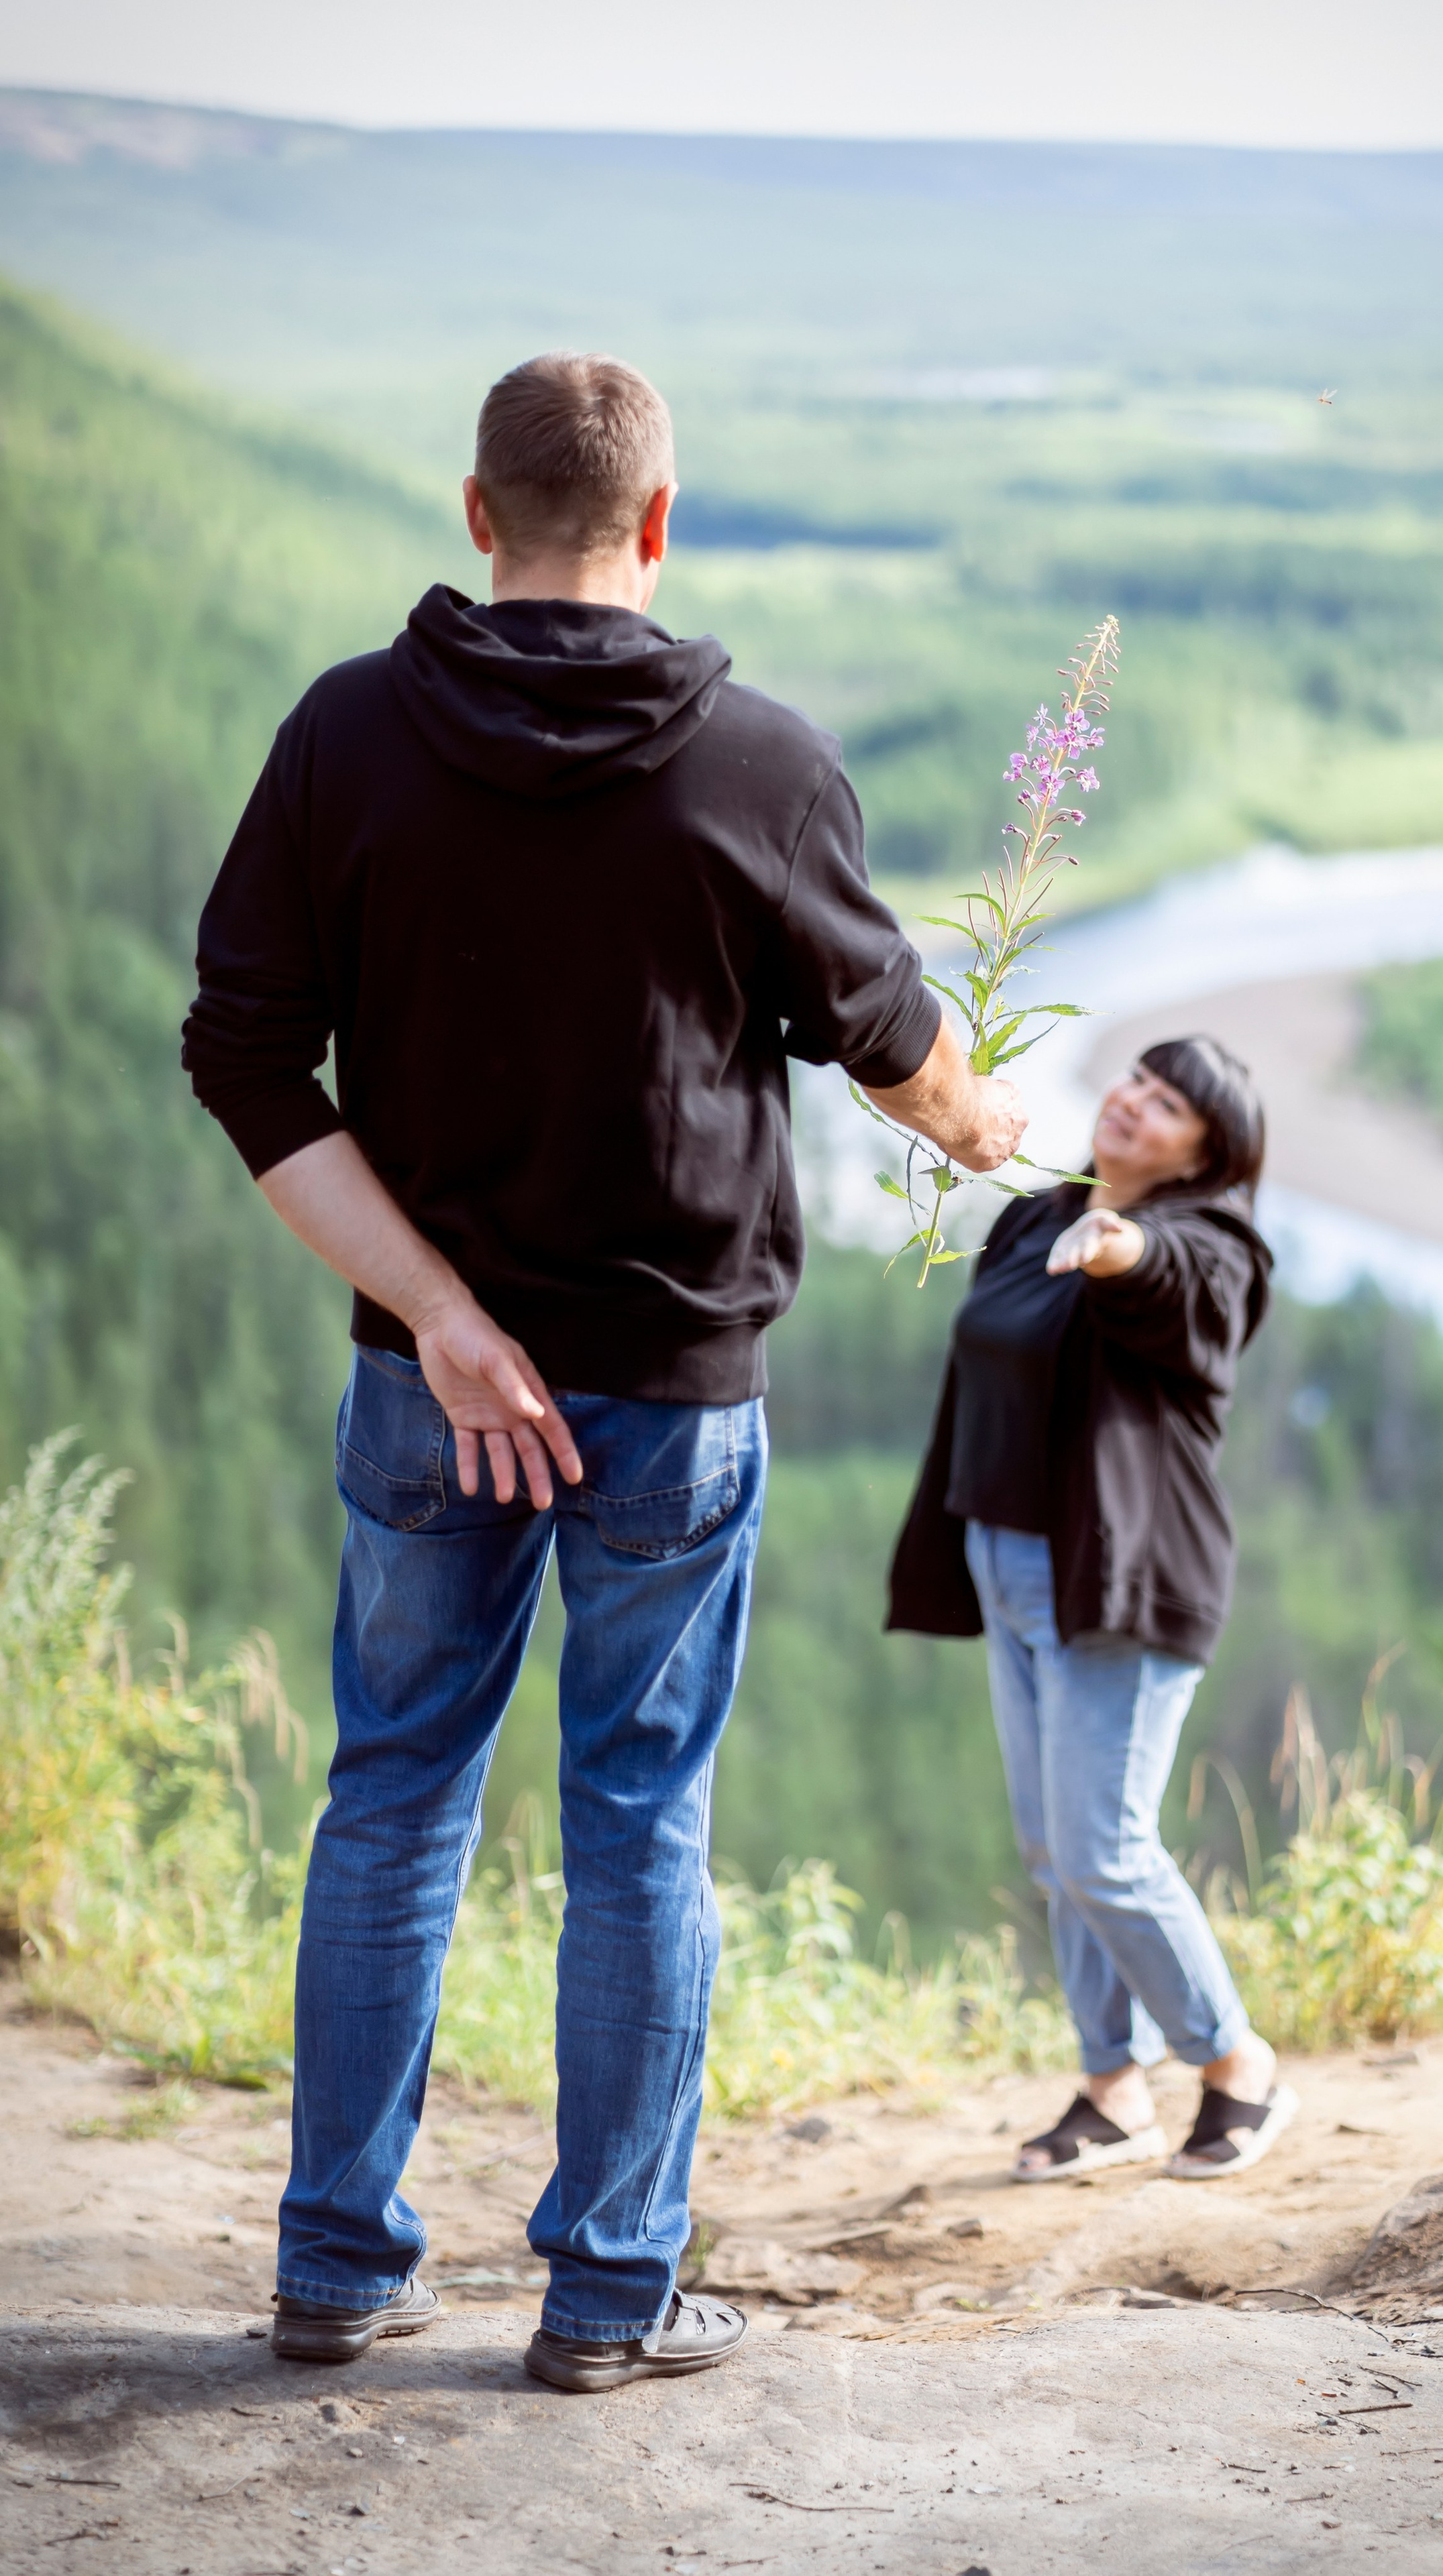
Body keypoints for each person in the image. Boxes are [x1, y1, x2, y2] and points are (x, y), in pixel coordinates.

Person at [182, 351, 1025, 2390]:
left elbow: (242, 1053)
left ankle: (336, 2268)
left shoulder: (347, 737)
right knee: (641, 1820)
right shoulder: (761, 764)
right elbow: (900, 1046)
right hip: (674, 1393)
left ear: (478, 514)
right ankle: (607, 2298)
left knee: (389, 1799)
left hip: (424, 1387)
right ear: (660, 525)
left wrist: (447, 1321)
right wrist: (985, 1127)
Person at [888, 1038, 1295, 2182]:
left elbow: (1179, 1290)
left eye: (1169, 1106)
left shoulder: (1215, 1245)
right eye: (1137, 1081)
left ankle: (1236, 2064)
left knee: (1103, 1849)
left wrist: (1122, 1248)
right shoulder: (1034, 1212)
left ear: (1205, 1154)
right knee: (1053, 1848)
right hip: (1008, 1562)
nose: (1135, 1104)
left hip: (1119, 1579)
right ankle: (1112, 2089)